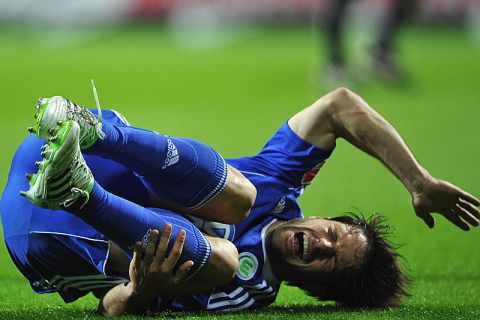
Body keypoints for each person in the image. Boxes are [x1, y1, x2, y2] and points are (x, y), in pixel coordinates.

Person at [2, 88, 479, 316]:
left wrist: (141, 292)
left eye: (331, 263)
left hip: (55, 231)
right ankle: (90, 132)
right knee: (242, 195)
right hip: (62, 142)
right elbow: (338, 107)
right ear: (321, 218)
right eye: (334, 234)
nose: (322, 246)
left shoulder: (248, 293)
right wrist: (418, 181)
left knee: (225, 258)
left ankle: (80, 194)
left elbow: (111, 307)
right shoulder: (281, 184)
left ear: (315, 289)